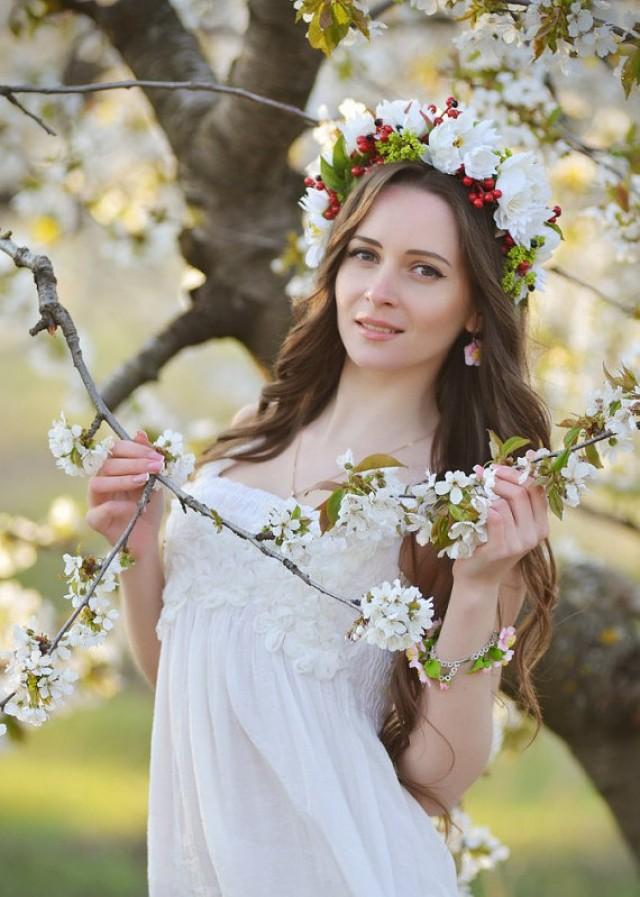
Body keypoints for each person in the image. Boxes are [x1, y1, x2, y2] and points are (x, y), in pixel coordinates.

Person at [86, 100, 557, 896]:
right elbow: (188, 672)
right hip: (207, 864)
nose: (379, 291)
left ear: (476, 303)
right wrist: (138, 550)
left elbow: (438, 778)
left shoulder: (463, 498)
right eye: (364, 254)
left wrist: (479, 588)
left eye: (425, 269)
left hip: (349, 867)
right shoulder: (250, 434)